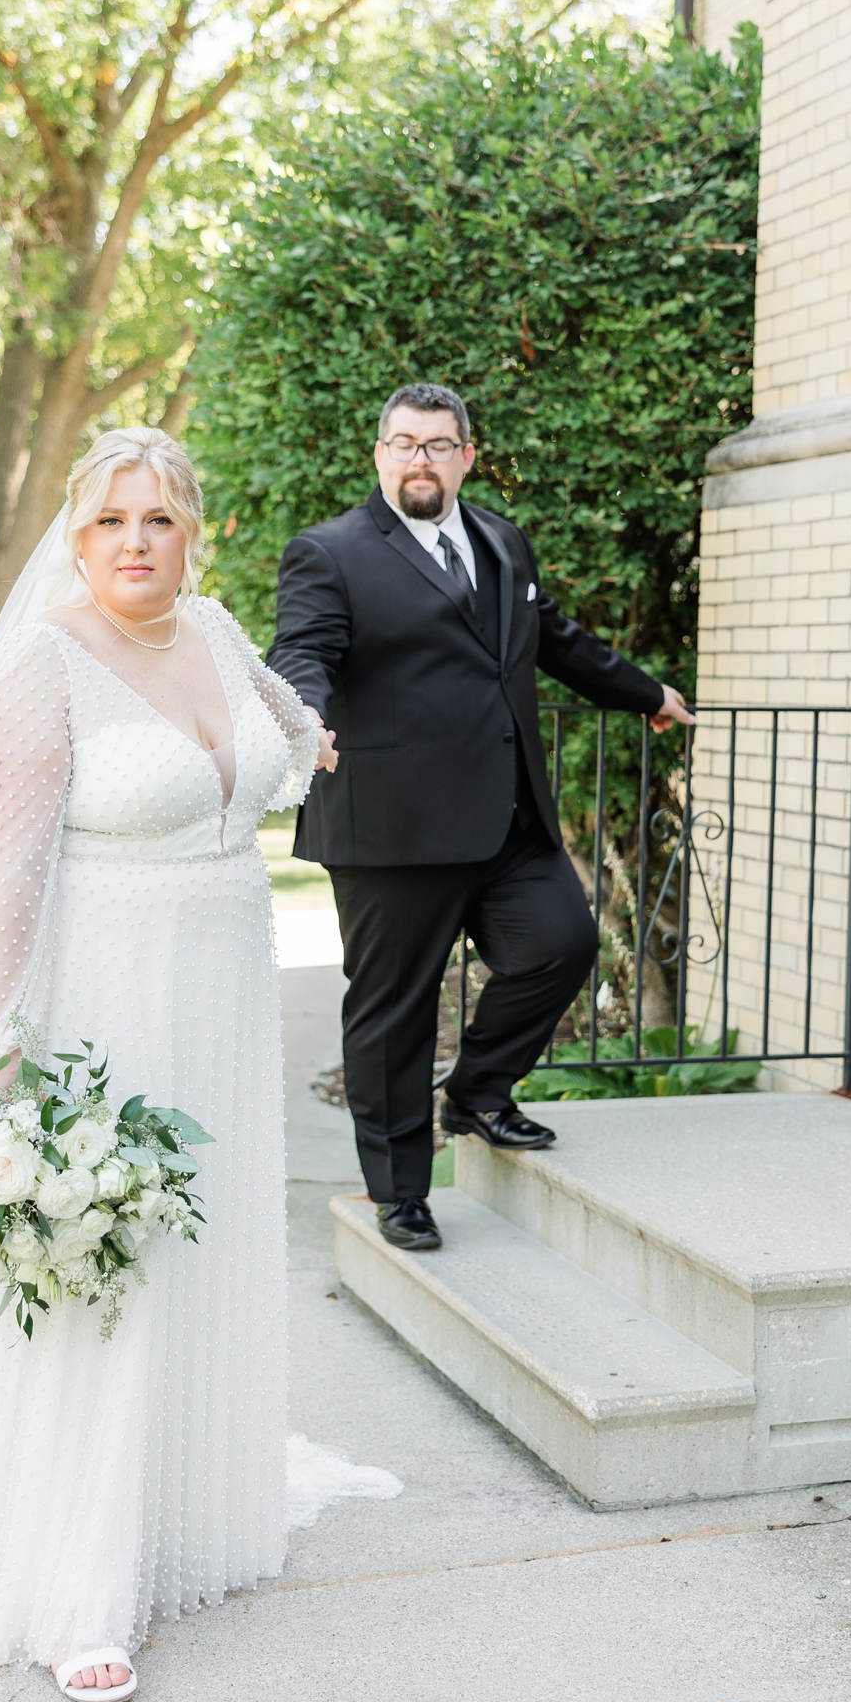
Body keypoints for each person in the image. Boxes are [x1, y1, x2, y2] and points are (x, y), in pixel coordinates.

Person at [0, 427, 342, 1702]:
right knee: (111, 1273)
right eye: (108, 524)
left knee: (200, 1255)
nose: (135, 545)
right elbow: (12, 878)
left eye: (157, 520)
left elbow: (287, 726)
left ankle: (191, 1518)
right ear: (77, 538)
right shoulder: (39, 669)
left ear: (190, 530)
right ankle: (78, 1590)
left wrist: (315, 742)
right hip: (107, 1002)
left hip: (219, 987)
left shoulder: (213, 632)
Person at [266, 383, 694, 1253]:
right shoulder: (329, 552)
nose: (419, 458)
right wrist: (301, 716)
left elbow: (555, 637)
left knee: (562, 946)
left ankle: (478, 1094)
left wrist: (643, 692)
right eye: (403, 443)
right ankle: (400, 1192)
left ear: (466, 455)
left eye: (437, 444)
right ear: (379, 455)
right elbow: (302, 650)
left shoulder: (501, 538)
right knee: (395, 1012)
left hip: (505, 818)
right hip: (391, 827)